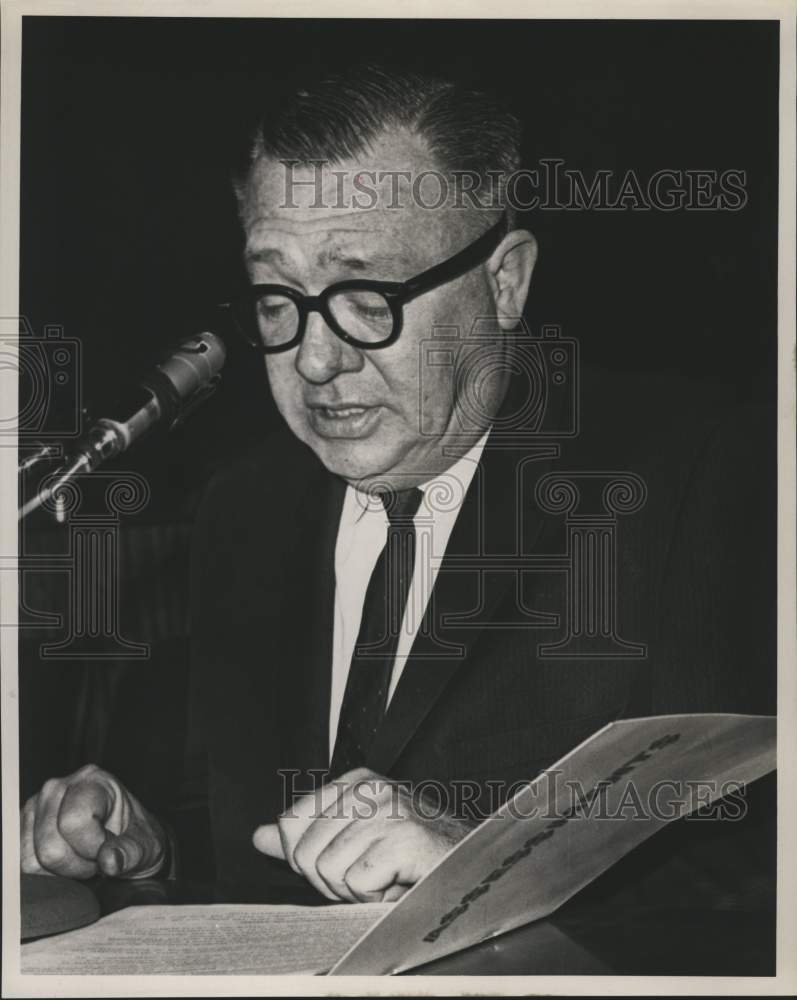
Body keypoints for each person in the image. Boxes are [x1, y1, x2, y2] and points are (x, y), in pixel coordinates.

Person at [20, 65, 774, 906]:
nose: (314, 360)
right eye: (275, 299)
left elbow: (758, 869)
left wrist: (488, 868)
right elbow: (232, 840)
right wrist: (146, 848)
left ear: (504, 281)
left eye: (368, 296)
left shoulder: (699, 473)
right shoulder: (245, 509)